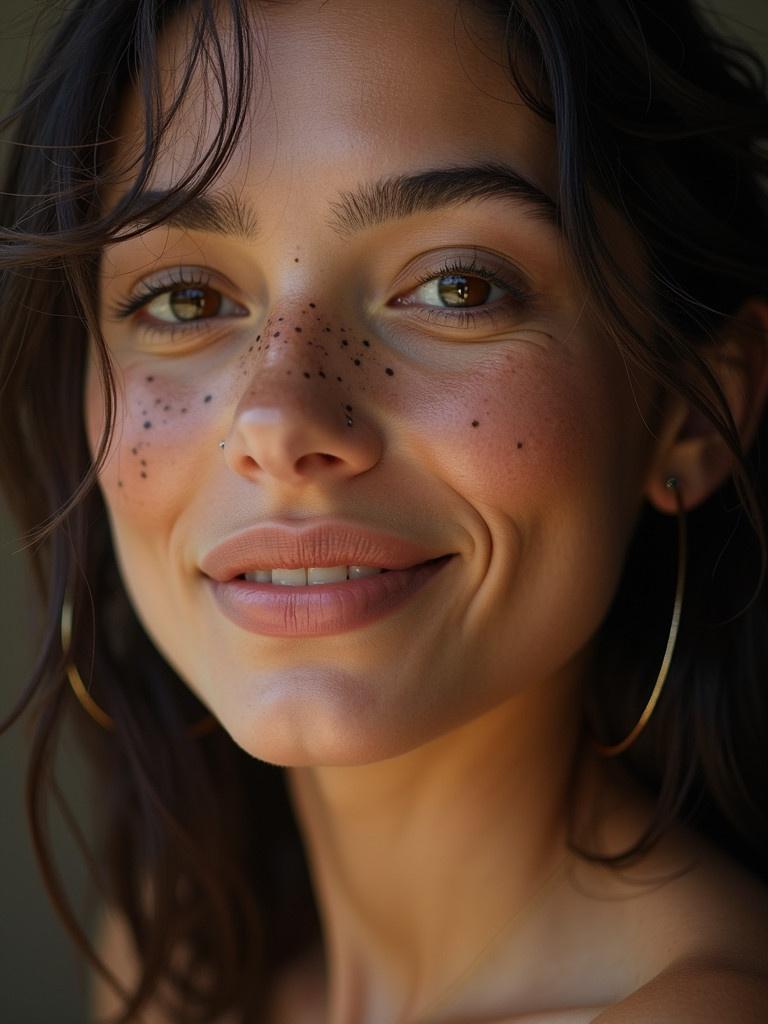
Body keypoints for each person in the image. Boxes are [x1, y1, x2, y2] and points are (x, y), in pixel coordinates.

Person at [1, 0, 768, 1021]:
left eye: (455, 287)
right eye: (185, 299)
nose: (280, 418)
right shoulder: (171, 961)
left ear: (688, 417)